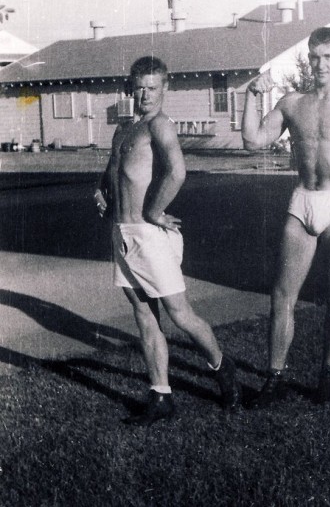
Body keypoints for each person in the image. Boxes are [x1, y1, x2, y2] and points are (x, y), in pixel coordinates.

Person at [242, 27, 330, 406]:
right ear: (308, 58)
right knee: (281, 295)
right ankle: (274, 378)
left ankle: (328, 375)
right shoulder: (293, 103)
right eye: (314, 57)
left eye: (328, 57)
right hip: (302, 200)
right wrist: (251, 96)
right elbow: (253, 140)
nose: (320, 64)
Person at [95, 56, 241, 425]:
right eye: (139, 87)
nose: (145, 94)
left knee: (180, 314)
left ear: (165, 88)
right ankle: (161, 396)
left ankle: (222, 367)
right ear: (131, 89)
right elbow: (113, 171)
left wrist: (154, 212)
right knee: (144, 314)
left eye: (152, 87)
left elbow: (177, 171)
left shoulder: (159, 126)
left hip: (148, 234)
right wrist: (101, 191)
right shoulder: (123, 129)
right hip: (122, 233)